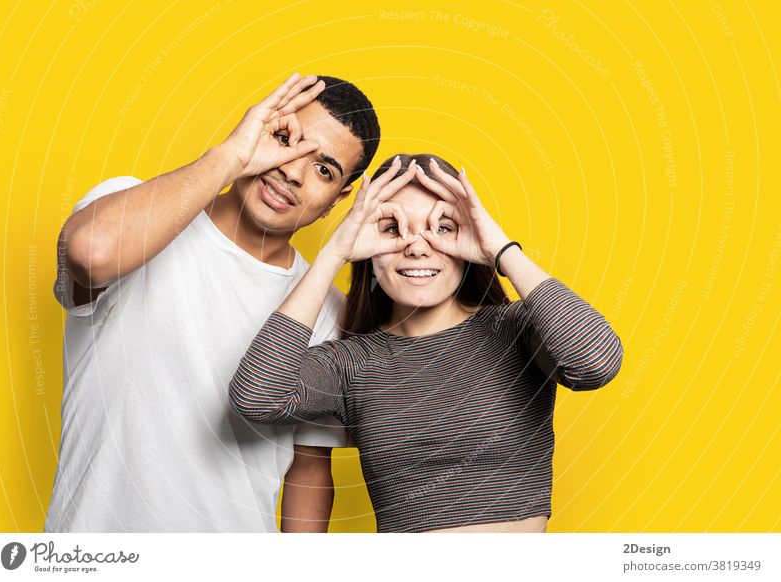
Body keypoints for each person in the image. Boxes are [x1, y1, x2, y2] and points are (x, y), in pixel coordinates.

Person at [46, 73, 380, 532]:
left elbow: (309, 470)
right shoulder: (134, 208)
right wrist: (231, 156)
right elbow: (91, 255)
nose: (293, 171)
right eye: (285, 139)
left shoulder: (327, 311)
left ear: (336, 200)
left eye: (324, 169)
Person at [229, 153, 624, 533]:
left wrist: (500, 250)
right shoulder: (352, 363)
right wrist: (334, 253)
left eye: (443, 228)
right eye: (391, 228)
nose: (417, 246)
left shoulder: (516, 329)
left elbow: (595, 363)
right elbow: (256, 396)